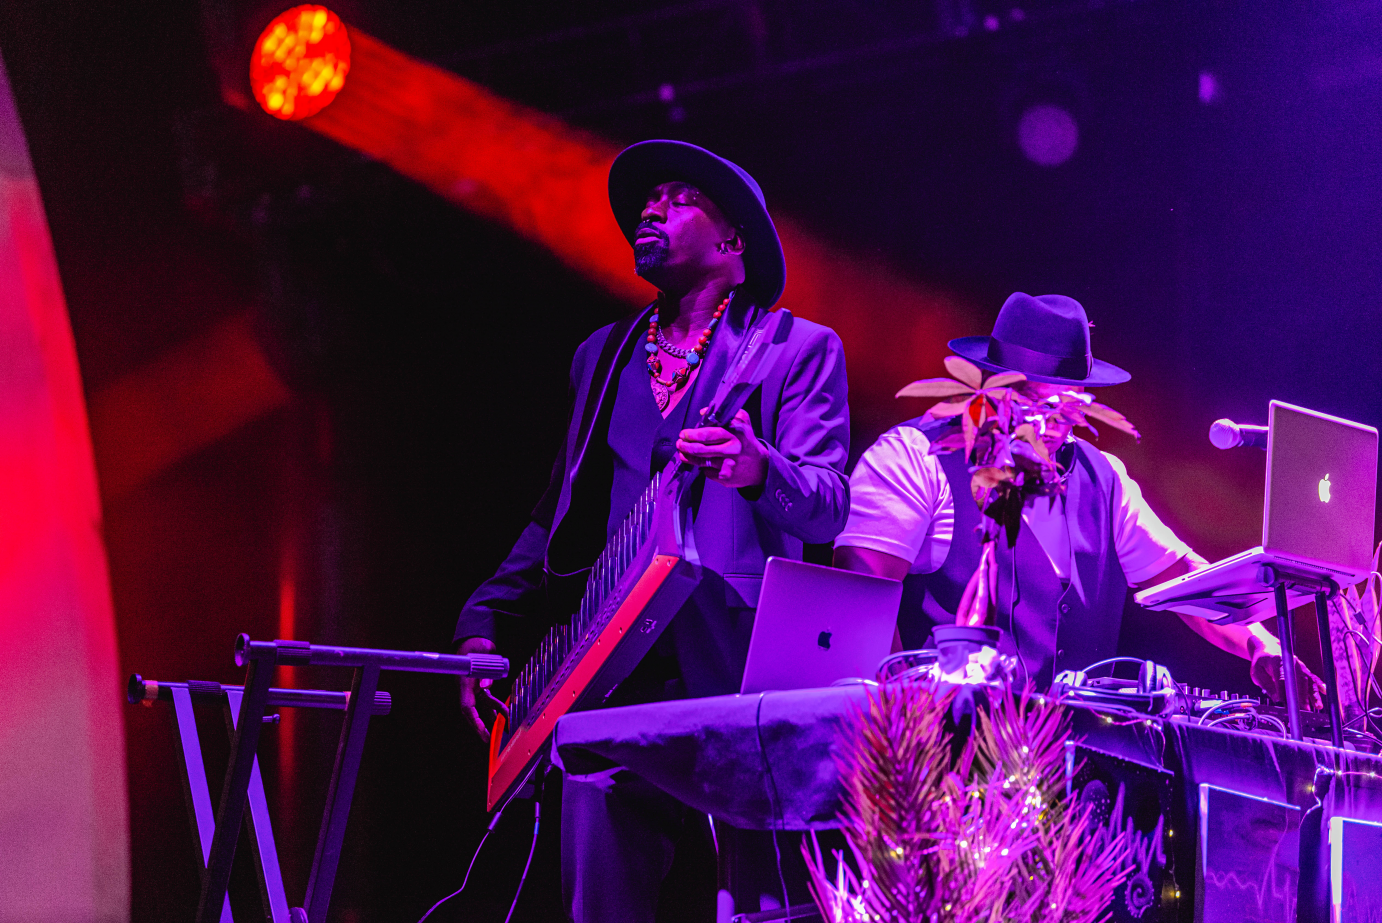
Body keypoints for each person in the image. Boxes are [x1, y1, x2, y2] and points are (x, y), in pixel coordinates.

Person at [454, 140, 850, 922]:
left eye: (677, 198)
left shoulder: (795, 350)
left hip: (740, 671)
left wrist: (756, 465)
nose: (649, 209)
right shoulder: (600, 359)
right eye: (646, 200)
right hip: (611, 668)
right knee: (599, 898)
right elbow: (559, 516)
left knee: (761, 901)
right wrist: (481, 622)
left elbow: (829, 503)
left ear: (733, 243)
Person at [834, 291, 1320, 700]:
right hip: (941, 741)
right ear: (991, 386)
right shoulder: (915, 455)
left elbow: (1185, 582)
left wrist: (1260, 644)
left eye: (1067, 406)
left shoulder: (1104, 476)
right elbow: (857, 597)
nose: (1051, 424)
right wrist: (901, 724)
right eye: (1033, 403)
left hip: (1068, 760)